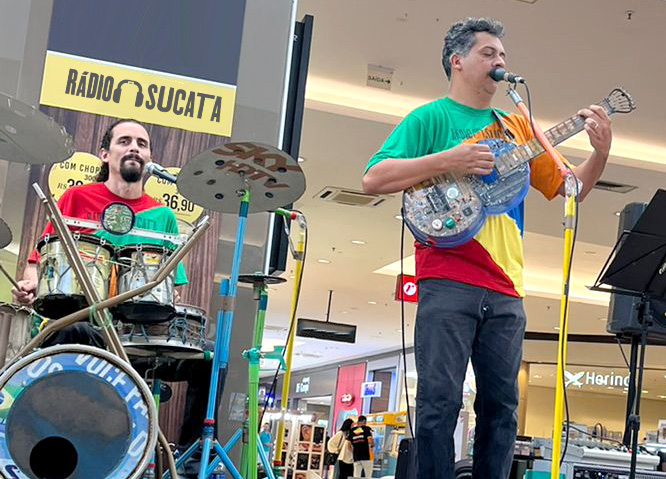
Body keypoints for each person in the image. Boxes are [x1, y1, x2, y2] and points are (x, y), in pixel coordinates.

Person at [362, 18, 612, 479]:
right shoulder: (430, 119)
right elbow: (374, 178)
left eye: (503, 56)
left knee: (502, 407)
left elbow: (571, 189)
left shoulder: (516, 125)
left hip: (507, 285)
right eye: (489, 53)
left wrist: (600, 153)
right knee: (438, 400)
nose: (500, 61)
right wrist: (449, 159)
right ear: (457, 61)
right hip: (447, 276)